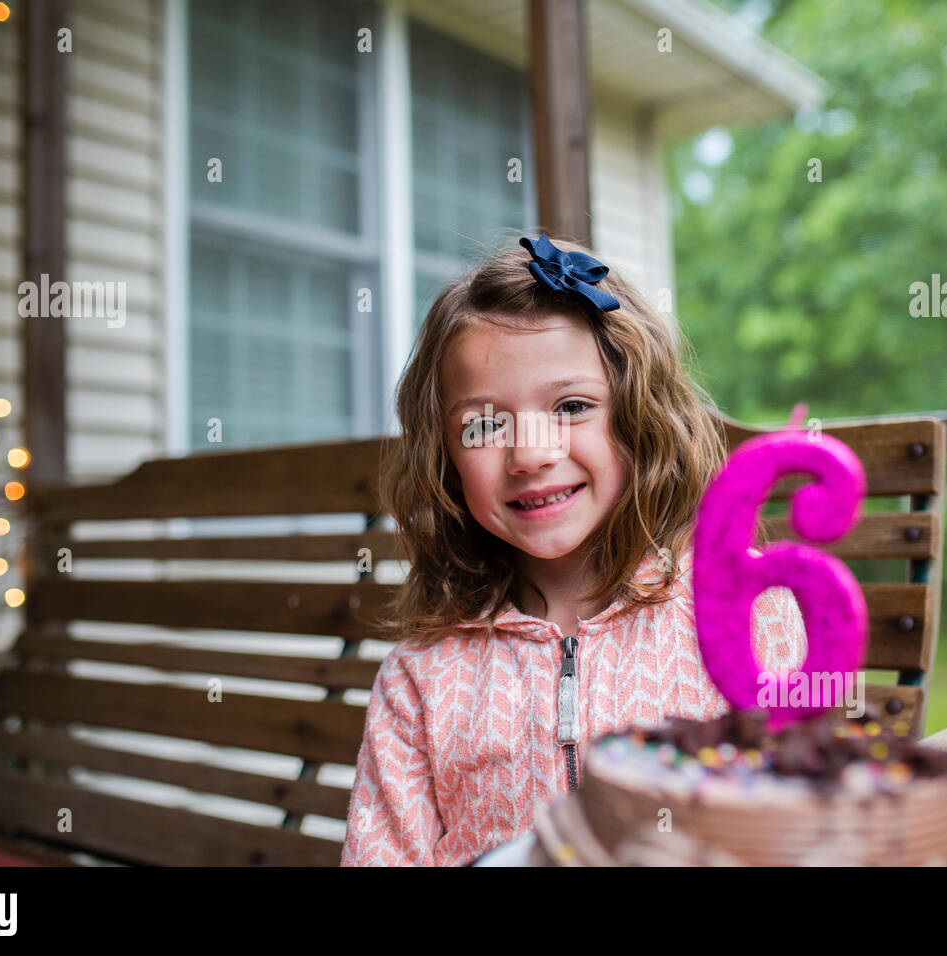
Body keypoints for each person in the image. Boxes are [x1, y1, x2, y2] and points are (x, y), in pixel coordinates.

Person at [340, 231, 806, 866]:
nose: (530, 452)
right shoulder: (422, 677)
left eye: (572, 405)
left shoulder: (742, 615)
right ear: (443, 459)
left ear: (640, 418)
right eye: (484, 423)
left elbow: (802, 830)